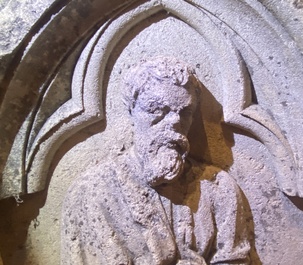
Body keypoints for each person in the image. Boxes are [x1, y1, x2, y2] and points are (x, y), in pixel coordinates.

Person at [61, 57, 250, 265]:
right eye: (157, 110)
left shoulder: (218, 187)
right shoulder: (92, 192)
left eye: (184, 112)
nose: (173, 124)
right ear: (132, 110)